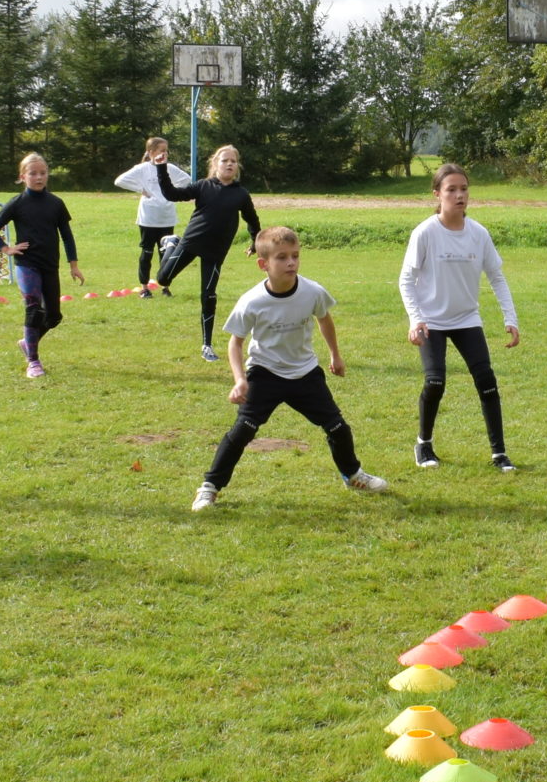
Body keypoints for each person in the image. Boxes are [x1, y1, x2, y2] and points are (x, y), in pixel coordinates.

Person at [192, 226, 389, 510]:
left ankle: (352, 474)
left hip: (305, 373)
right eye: (282, 258)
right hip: (264, 373)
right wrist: (239, 380)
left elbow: (325, 319)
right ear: (264, 264)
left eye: (295, 256)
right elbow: (235, 344)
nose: (291, 263)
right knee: (242, 431)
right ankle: (209, 487)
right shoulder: (251, 301)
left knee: (338, 428)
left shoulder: (312, 291)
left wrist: (335, 355)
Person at [399, 163, 521, 472]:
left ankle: (499, 454)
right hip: (432, 321)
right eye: (451, 189)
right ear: (437, 194)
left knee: (487, 381)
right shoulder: (425, 232)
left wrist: (511, 318)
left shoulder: (478, 234)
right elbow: (405, 280)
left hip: (466, 319)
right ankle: (423, 444)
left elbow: (497, 277)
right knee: (435, 381)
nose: (459, 195)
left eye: (463, 189)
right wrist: (416, 319)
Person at [153, 144, 263, 360]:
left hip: (215, 252)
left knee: (209, 295)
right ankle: (172, 243)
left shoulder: (241, 194)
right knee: (163, 279)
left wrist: (255, 243)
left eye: (233, 161)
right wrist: (161, 167)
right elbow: (172, 194)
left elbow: (252, 220)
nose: (229, 164)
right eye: (225, 160)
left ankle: (207, 346)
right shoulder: (203, 186)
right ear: (215, 164)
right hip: (191, 242)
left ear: (237, 166)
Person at [0, 152, 84, 378]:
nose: (38, 177)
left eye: (43, 173)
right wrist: (6, 248)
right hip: (27, 264)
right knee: (33, 308)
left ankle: (28, 342)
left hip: (50, 265)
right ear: (23, 176)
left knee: (53, 317)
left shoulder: (56, 204)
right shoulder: (17, 203)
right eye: (33, 173)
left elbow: (67, 237)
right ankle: (33, 361)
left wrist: (74, 265)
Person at [112, 137, 180, 294]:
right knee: (147, 253)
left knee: (166, 253)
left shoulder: (170, 168)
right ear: (151, 153)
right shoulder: (142, 168)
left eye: (166, 150)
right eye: (161, 150)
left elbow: (187, 180)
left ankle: (165, 286)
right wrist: (140, 189)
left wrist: (173, 193)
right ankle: (144, 288)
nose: (165, 153)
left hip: (166, 218)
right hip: (148, 218)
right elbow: (120, 181)